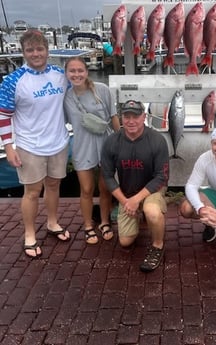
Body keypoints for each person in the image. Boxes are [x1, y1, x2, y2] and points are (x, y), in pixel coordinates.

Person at [0, 30, 70, 258]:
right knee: (31, 191)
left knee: (53, 185)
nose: (36, 54)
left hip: (58, 141)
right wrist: (8, 146)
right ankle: (29, 234)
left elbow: (75, 97)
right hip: (30, 145)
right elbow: (4, 115)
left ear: (47, 51)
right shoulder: (12, 81)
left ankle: (52, 223)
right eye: (30, 50)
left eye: (40, 49)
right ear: (23, 52)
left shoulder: (61, 75)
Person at [101, 100, 169, 272]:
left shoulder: (157, 140)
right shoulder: (111, 141)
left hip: (152, 188)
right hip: (127, 194)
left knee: (152, 211)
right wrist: (125, 201)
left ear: (144, 117)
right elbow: (107, 176)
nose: (131, 121)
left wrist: (136, 200)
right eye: (127, 116)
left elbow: (162, 176)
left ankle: (157, 245)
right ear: (121, 118)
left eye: (136, 116)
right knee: (125, 242)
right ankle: (139, 215)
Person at [64, 56, 120, 244]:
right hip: (82, 147)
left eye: (80, 70)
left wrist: (120, 142)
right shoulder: (66, 97)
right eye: (72, 71)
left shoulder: (102, 90)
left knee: (105, 188)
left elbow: (113, 117)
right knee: (86, 189)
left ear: (87, 72)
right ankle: (88, 225)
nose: (77, 74)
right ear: (66, 74)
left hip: (106, 144)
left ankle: (104, 222)